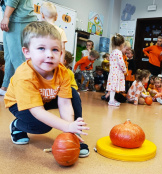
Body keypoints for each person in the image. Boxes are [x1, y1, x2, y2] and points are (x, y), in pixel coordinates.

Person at [4, 21, 90, 157]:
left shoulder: (63, 72)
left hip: (45, 98)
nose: (49, 54)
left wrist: (69, 131)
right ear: (27, 52)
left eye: (55, 49)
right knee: (43, 126)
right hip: (19, 104)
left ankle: (75, 135)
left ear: (61, 53)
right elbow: (38, 112)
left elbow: (65, 104)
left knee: (73, 95)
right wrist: (66, 126)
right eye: (41, 48)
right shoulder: (25, 76)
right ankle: (17, 125)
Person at [0, 0, 37, 96]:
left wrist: (6, 17)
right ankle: (6, 86)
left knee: (18, 58)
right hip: (14, 19)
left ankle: (26, 89)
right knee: (9, 57)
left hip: (19, 20)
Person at [106, 33, 127, 107]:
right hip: (117, 73)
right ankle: (111, 100)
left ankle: (112, 99)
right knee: (114, 87)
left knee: (113, 88)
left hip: (113, 72)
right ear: (121, 44)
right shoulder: (118, 52)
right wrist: (124, 70)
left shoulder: (112, 52)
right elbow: (121, 62)